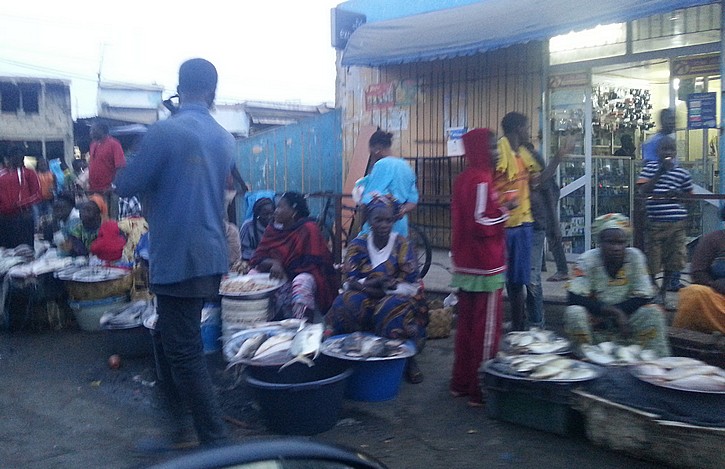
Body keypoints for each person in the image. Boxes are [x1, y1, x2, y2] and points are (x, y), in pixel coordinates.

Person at [114, 58, 231, 448]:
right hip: (210, 254)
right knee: (169, 339)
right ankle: (179, 427)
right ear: (212, 92)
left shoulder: (165, 131)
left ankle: (216, 444)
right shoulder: (223, 136)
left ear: (179, 88)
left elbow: (125, 183)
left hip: (180, 256)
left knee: (184, 352)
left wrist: (139, 148)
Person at [325, 196, 428, 384]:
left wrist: (372, 285)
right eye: (378, 220)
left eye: (388, 220)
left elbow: (409, 284)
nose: (383, 225)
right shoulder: (358, 244)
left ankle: (406, 358)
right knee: (345, 302)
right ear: (369, 221)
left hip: (396, 297)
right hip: (367, 295)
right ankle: (348, 354)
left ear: (394, 220)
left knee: (391, 307)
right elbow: (350, 279)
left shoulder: (402, 245)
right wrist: (378, 282)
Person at [449, 128, 509, 406]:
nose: (497, 153)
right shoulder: (482, 180)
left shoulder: (464, 178)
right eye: (493, 147)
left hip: (466, 263)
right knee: (486, 330)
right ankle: (481, 388)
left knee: (466, 327)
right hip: (484, 263)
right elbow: (481, 222)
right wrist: (506, 213)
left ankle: (461, 383)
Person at [564, 213, 670, 357]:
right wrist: (615, 312)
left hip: (629, 316)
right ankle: (585, 358)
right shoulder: (587, 260)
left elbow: (644, 296)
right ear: (599, 242)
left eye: (621, 243)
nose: (616, 248)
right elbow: (573, 297)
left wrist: (621, 314)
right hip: (596, 318)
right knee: (574, 312)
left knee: (653, 313)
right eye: (610, 242)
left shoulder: (635, 257)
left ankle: (655, 363)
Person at [250, 192, 338, 321]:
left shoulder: (308, 229)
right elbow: (258, 257)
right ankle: (257, 325)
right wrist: (274, 263)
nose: (275, 211)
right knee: (252, 275)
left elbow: (313, 266)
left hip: (305, 279)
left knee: (301, 281)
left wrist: (286, 271)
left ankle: (303, 327)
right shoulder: (273, 229)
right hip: (279, 276)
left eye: (280, 207)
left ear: (293, 211)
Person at [494, 112, 541, 331]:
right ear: (516, 129)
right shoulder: (500, 153)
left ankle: (519, 327)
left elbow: (538, 181)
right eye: (526, 127)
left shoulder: (523, 155)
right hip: (504, 225)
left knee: (518, 281)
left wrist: (559, 158)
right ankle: (504, 324)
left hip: (523, 223)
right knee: (500, 281)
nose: (528, 132)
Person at [637, 136, 692, 304]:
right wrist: (660, 172)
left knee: (673, 259)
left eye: (671, 149)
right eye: (664, 149)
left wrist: (679, 196)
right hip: (655, 223)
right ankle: (652, 288)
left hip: (676, 223)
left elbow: (690, 198)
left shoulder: (682, 172)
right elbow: (642, 190)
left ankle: (663, 291)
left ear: (675, 152)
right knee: (653, 259)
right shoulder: (650, 169)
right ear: (657, 152)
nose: (668, 153)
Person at [526, 137, 573, 328]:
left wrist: (554, 224)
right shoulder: (521, 162)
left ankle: (562, 269)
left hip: (540, 217)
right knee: (532, 269)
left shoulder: (536, 167)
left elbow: (545, 191)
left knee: (552, 238)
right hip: (530, 221)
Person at [673, 205, 725, 334]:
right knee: (694, 292)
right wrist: (713, 284)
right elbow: (698, 272)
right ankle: (682, 338)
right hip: (718, 299)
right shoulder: (713, 239)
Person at [358, 129, 419, 237]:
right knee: (399, 252)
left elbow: (369, 198)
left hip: (380, 226)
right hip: (400, 226)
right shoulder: (406, 166)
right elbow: (413, 200)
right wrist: (402, 210)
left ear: (376, 150)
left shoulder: (381, 165)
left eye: (371, 152)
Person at [0, 145, 41, 248]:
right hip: (4, 218)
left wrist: (20, 204)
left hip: (23, 217)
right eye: (15, 156)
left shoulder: (29, 173)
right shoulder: (1, 174)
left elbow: (37, 194)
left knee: (25, 249)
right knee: (6, 249)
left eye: (21, 156)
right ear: (9, 157)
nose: (18, 159)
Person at [89, 122, 126, 219]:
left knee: (110, 218)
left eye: (93, 130)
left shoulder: (114, 144)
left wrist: (113, 186)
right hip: (94, 190)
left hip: (108, 191)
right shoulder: (93, 144)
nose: (91, 132)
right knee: (97, 218)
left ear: (102, 131)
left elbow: (121, 166)